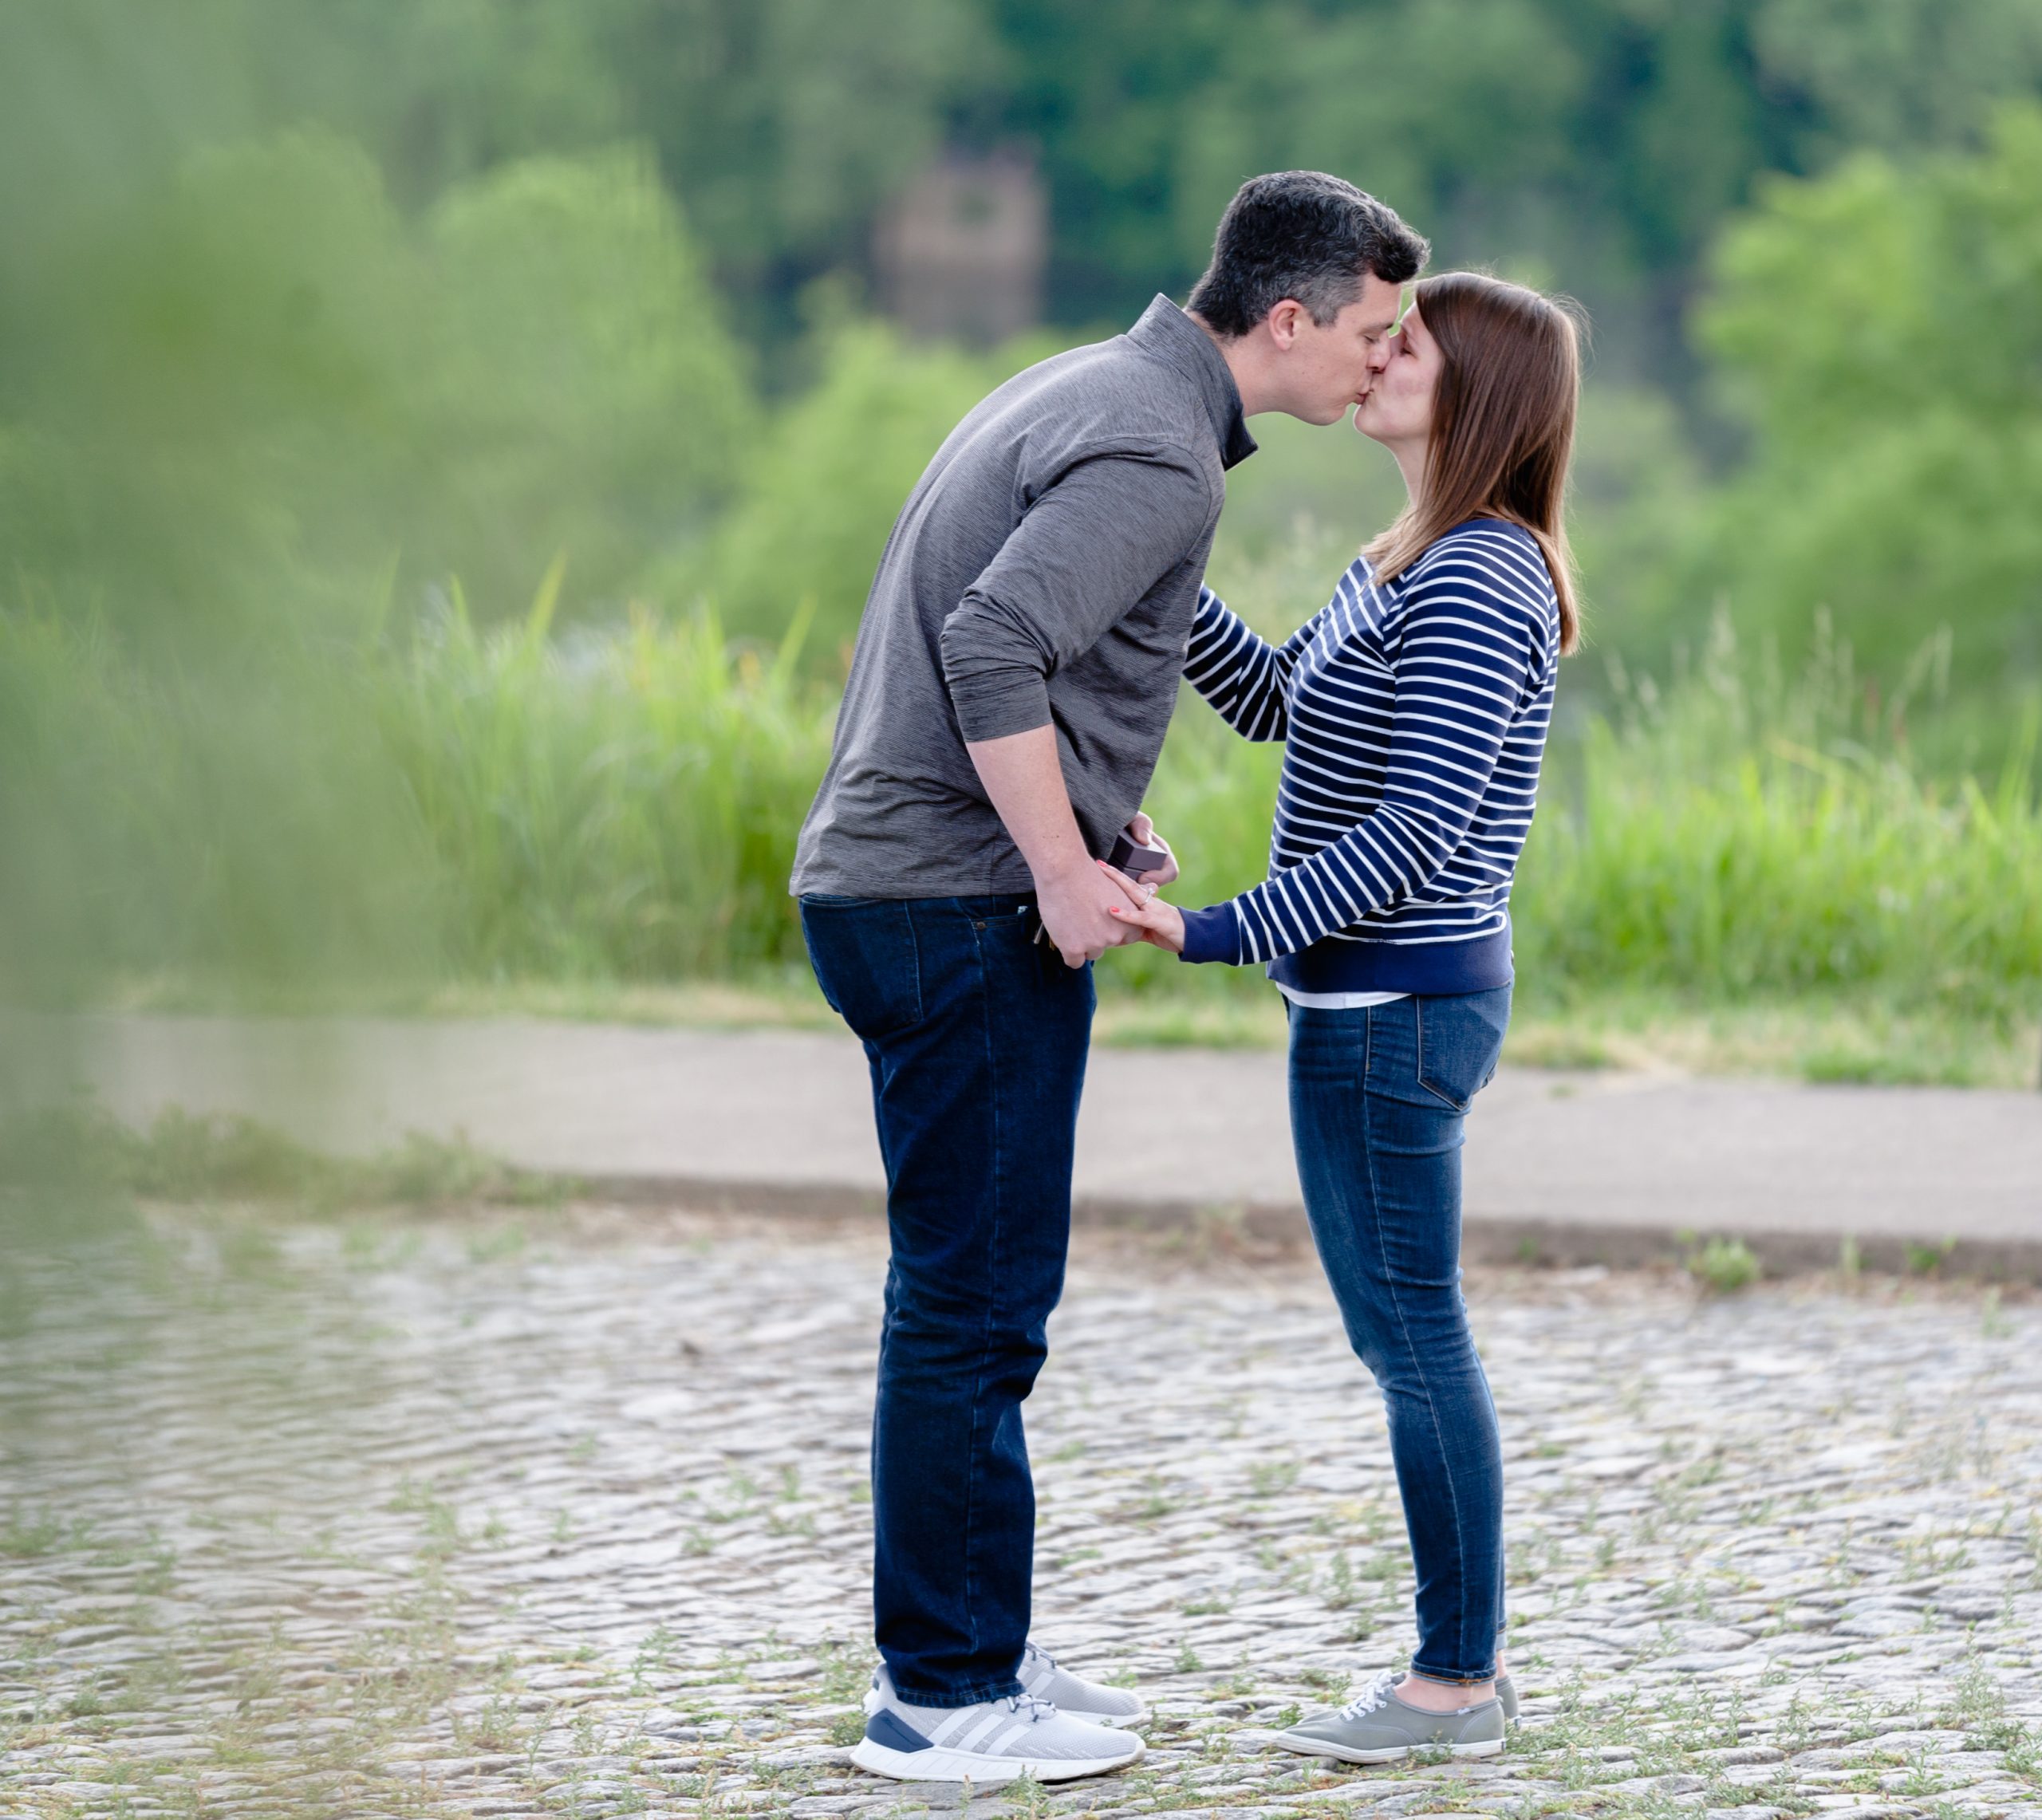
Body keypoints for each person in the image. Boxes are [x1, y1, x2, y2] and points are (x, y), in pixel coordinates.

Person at [790, 172, 1429, 1785]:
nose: (1377, 360)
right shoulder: (1154, 446)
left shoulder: (1092, 383)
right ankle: (941, 1698)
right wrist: (1060, 868)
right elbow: (994, 640)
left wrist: (1078, 807)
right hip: (949, 907)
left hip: (908, 884)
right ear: (1285, 319)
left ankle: (975, 1642)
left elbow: (1006, 626)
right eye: (1366, 330)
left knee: (975, 1295)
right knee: (973, 1304)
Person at [1104, 270, 1583, 1767]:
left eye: (1409, 342)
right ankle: (1462, 1674)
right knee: (1404, 1333)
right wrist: (1154, 554)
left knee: (1415, 1339)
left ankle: (1454, 1686)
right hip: (1363, 1006)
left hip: (1398, 1012)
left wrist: (1210, 930)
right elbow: (1272, 704)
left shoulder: (1481, 576)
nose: (1380, 354)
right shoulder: (1404, 554)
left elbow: (1419, 833)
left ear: (1479, 393)